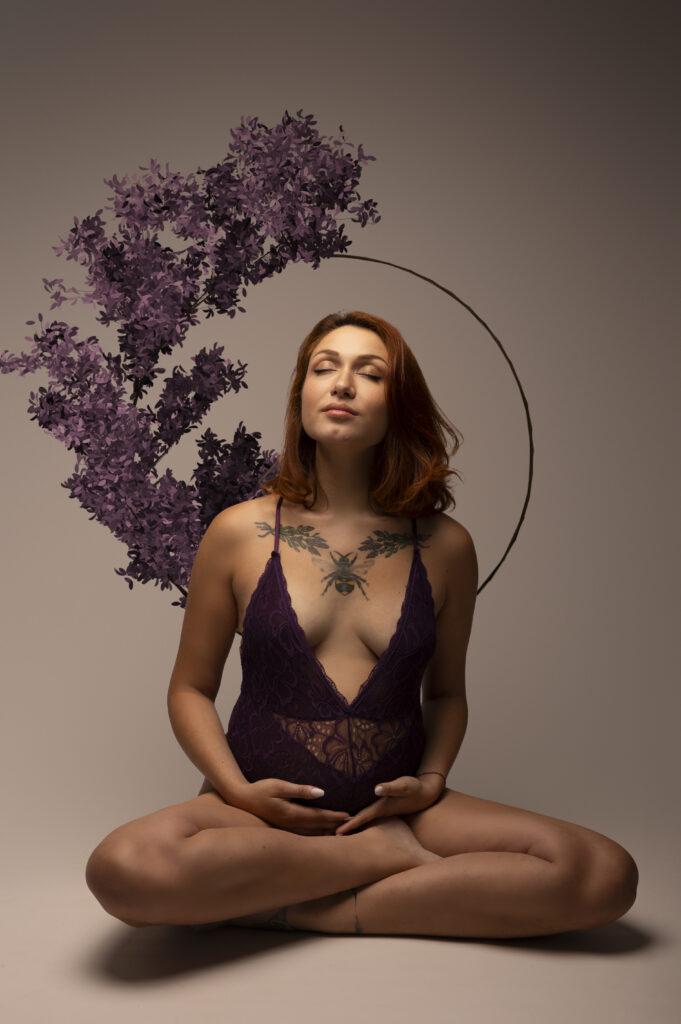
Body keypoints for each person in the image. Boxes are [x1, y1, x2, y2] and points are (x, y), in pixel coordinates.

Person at [85, 310, 638, 938]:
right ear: (301, 394)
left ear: (398, 404)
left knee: (602, 873)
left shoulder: (446, 545)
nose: (343, 384)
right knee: (124, 868)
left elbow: (447, 694)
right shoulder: (238, 532)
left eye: (369, 373)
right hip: (261, 810)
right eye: (325, 368)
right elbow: (190, 689)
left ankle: (315, 905)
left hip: (397, 813)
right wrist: (237, 792)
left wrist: (430, 783)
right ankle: (373, 863)